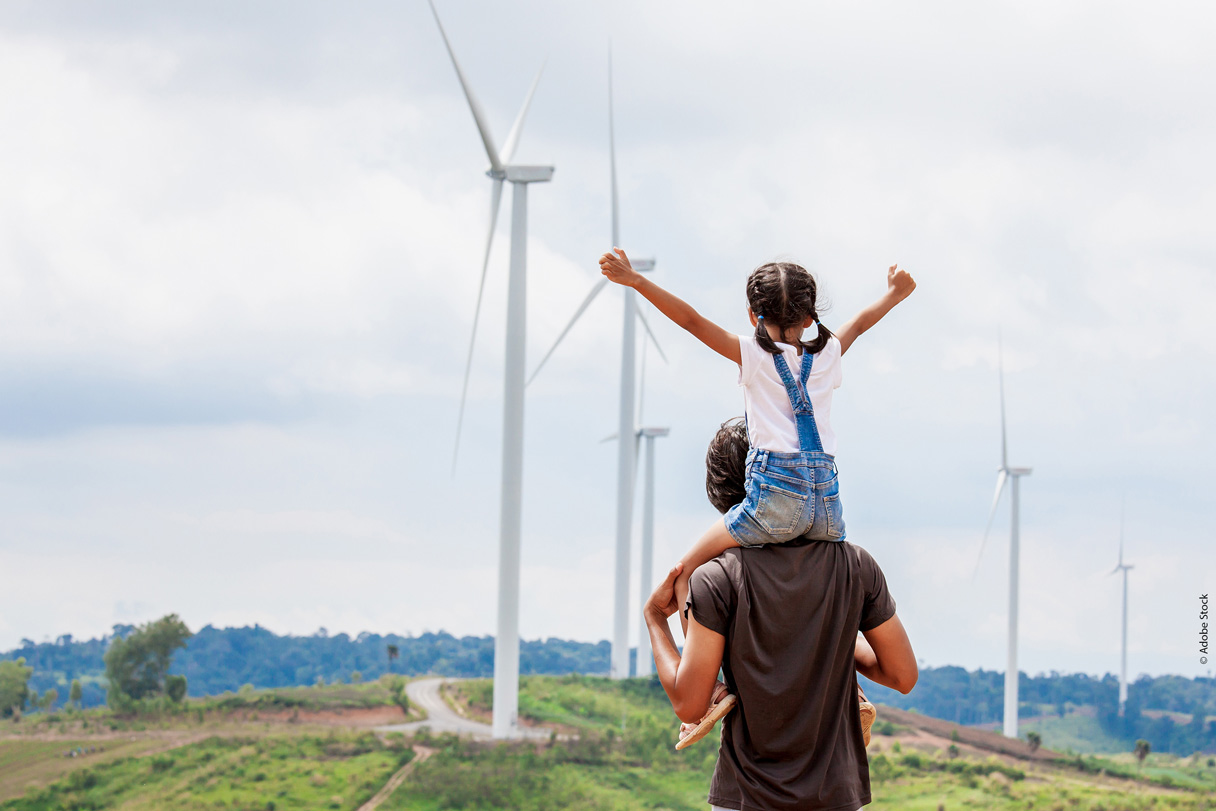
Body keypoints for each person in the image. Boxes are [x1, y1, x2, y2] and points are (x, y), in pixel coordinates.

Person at [599, 248, 915, 737]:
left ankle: (714, 691)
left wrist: (636, 282)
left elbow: (689, 320)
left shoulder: (751, 354)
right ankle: (851, 693)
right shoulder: (827, 352)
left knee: (687, 570)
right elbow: (860, 323)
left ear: (753, 315)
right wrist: (895, 294)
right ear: (812, 316)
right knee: (826, 594)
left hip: (773, 503)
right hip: (826, 508)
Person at [643, 419, 919, 811]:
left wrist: (655, 618)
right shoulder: (855, 566)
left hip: (745, 798)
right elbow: (902, 675)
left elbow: (689, 704)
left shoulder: (716, 579)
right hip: (837, 797)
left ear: (724, 494)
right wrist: (832, 643)